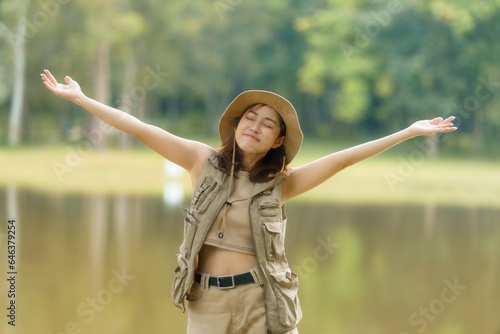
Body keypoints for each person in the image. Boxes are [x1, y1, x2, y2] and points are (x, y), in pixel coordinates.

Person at [41, 69, 457, 334]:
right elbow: (138, 126)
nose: (255, 127)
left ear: (279, 139)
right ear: (236, 125)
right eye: (250, 118)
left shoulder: (282, 184)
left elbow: (343, 159)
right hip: (207, 303)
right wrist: (80, 98)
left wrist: (407, 132)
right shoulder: (199, 161)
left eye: (267, 124)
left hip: (264, 301)